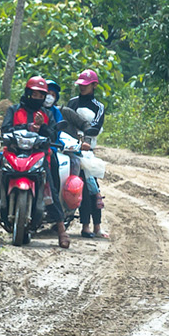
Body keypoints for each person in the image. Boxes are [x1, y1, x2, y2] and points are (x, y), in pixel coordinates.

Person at [0, 77, 70, 248]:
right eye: (33, 93)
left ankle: (61, 230)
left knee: (50, 188)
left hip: (37, 156)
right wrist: (27, 127)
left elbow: (52, 135)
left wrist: (42, 126)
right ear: (28, 93)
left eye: (40, 95)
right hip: (13, 153)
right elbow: (5, 129)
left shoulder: (47, 114)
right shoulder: (13, 110)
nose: (36, 97)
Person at [62, 68, 111, 239]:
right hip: (71, 149)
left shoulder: (98, 107)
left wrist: (85, 140)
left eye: (86, 85)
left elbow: (95, 128)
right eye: (81, 85)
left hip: (87, 151)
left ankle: (95, 227)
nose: (83, 88)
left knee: (92, 188)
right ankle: (83, 226)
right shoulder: (72, 102)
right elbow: (65, 122)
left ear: (94, 85)